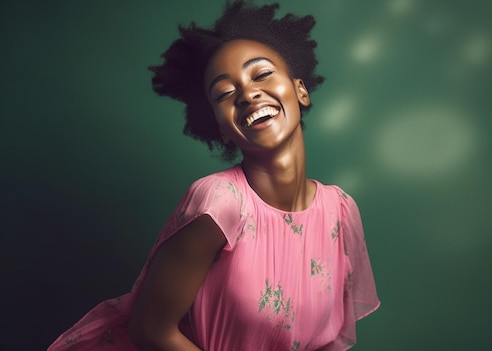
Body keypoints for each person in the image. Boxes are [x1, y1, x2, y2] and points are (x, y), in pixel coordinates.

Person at [47, 1, 380, 350]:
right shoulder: (219, 202)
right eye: (224, 93)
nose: (248, 94)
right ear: (220, 128)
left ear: (301, 91)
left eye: (262, 74)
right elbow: (151, 330)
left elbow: (330, 340)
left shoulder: (340, 210)